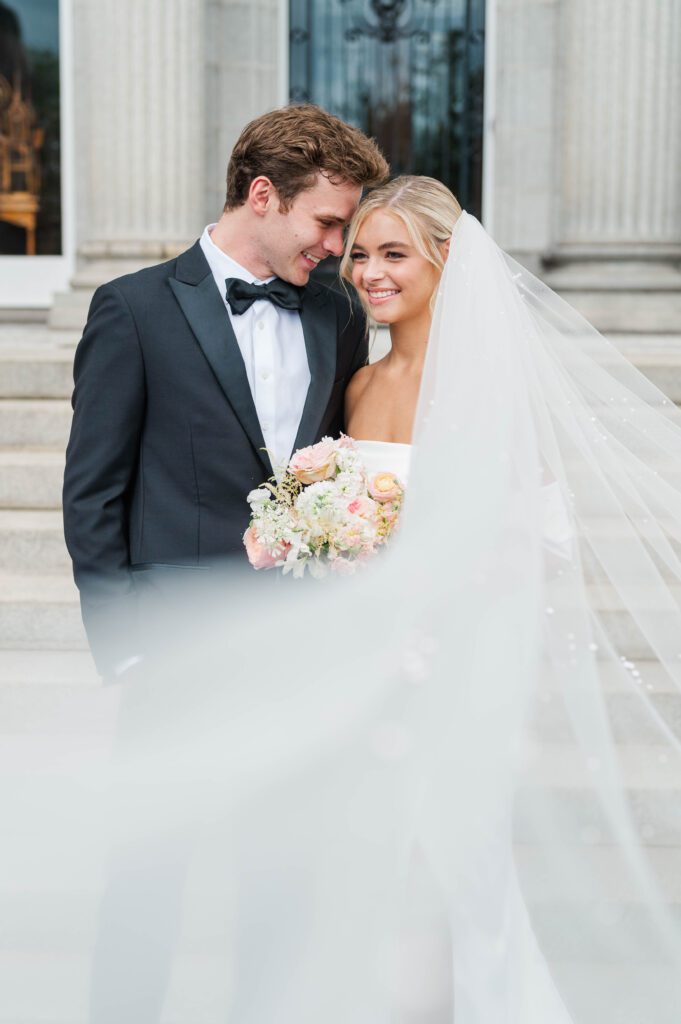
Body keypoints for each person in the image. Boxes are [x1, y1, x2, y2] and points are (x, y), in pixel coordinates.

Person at [62, 104, 389, 682]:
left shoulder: (340, 315)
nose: (338, 247)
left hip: (303, 645)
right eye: (326, 223)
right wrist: (125, 648)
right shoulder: (133, 309)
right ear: (263, 195)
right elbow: (93, 493)